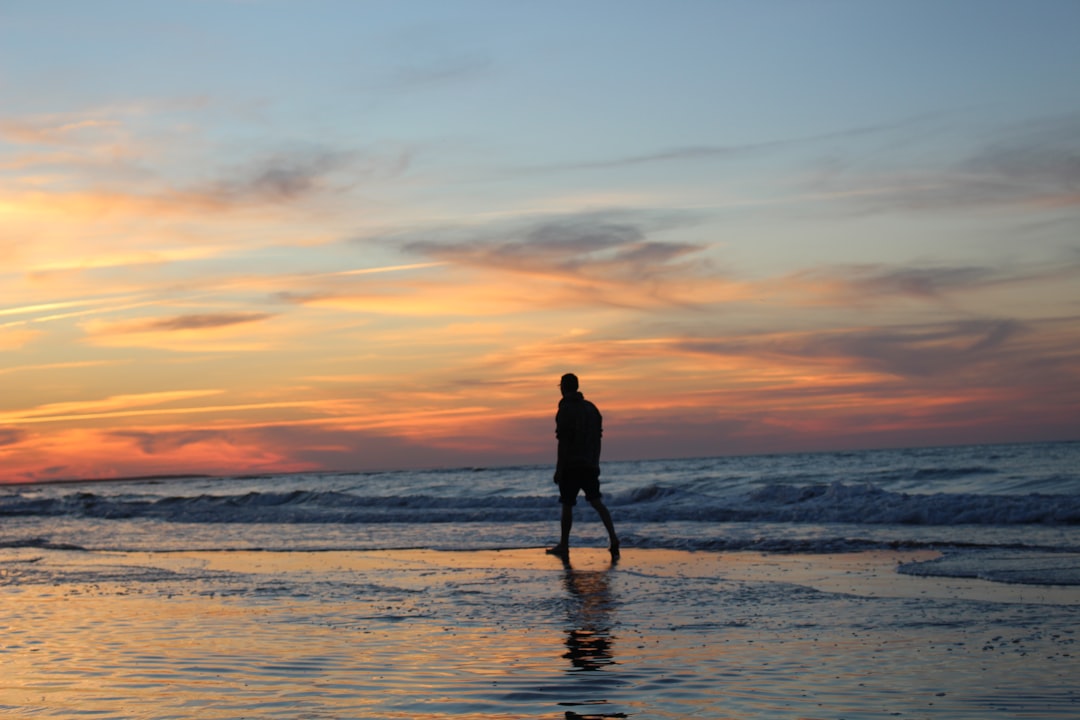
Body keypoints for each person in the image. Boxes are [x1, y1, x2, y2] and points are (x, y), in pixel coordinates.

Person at [547, 373, 619, 560]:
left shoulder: (565, 409)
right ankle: (613, 538)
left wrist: (559, 468)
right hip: (589, 464)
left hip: (571, 465)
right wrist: (595, 462)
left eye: (561, 385)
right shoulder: (591, 408)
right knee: (596, 502)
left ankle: (564, 545)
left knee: (567, 505)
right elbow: (598, 439)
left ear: (564, 387)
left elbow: (563, 441)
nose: (560, 389)